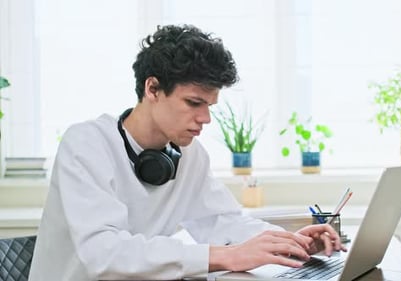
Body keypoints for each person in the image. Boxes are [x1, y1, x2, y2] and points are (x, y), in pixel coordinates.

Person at [29, 24, 346, 281]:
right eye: (194, 103)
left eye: (209, 106)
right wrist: (226, 257)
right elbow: (104, 254)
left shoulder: (189, 154)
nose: (205, 118)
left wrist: (288, 242)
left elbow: (224, 222)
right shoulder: (86, 144)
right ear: (152, 89)